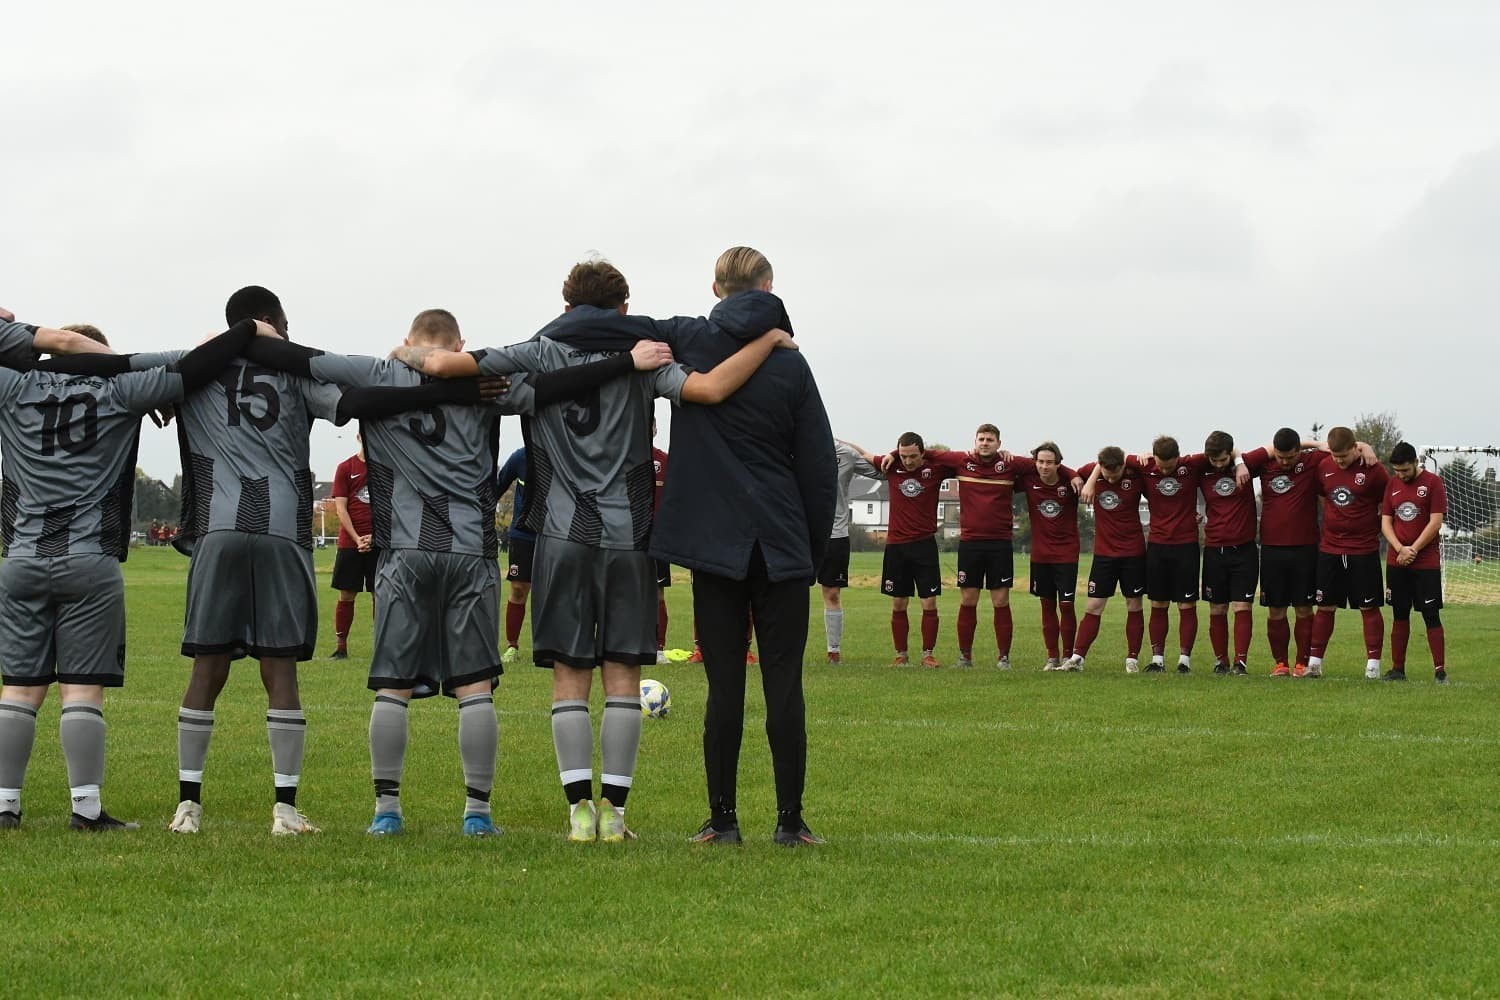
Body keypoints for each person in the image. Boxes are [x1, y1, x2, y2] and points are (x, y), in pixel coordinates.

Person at [389, 257, 798, 845]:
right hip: (628, 536)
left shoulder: (537, 351)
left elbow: (444, 366)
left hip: (558, 537)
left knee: (569, 679)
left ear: (564, 306)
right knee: (623, 676)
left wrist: (406, 354)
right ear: (624, 309)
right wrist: (767, 339)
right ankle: (616, 816)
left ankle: (579, 812)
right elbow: (710, 388)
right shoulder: (649, 353)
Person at [245, 306, 660, 837]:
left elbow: (302, 358)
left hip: (405, 548)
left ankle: (387, 811)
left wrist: (248, 334)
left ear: (406, 341)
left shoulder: (375, 371)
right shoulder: (485, 380)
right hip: (470, 548)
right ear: (459, 346)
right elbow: (555, 387)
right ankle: (478, 813)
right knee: (475, 687)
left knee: (392, 686)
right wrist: (624, 361)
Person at [0, 312, 265, 831]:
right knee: (81, 689)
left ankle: (5, 805)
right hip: (89, 560)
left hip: (23, 556)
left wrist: (12, 325)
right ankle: (86, 810)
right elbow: (198, 362)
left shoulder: (13, 388)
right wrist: (247, 330)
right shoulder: (121, 390)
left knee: (19, 690)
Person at [646, 247, 835, 846]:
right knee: (784, 684)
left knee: (724, 685)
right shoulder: (791, 364)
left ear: (715, 287)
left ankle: (722, 820)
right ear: (769, 284)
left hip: (713, 545)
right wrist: (806, 547)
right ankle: (789, 822)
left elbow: (615, 327)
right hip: (779, 541)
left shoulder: (690, 341)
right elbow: (818, 465)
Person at [857, 433, 958, 668]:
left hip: (924, 545)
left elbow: (958, 460)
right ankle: (901, 655)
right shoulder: (891, 466)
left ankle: (928, 655)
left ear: (922, 453)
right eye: (903, 455)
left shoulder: (936, 469)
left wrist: (927, 454)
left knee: (929, 603)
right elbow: (863, 453)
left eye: (913, 456)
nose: (908, 461)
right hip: (896, 547)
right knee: (899, 603)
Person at [923, 425, 1020, 669]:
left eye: (990, 439)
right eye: (981, 439)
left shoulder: (1011, 464)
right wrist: (893, 454)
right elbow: (926, 452)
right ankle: (965, 657)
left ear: (999, 443)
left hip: (1000, 544)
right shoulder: (962, 461)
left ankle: (1003, 658)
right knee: (968, 600)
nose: (985, 443)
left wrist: (1073, 476)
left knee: (1000, 601)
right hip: (970, 544)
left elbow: (1046, 462)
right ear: (975, 441)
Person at [1241, 428, 1330, 676]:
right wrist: (1265, 455)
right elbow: (1242, 458)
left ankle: (1302, 663)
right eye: (1280, 457)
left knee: (1304, 607)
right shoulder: (1265, 464)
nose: (1284, 462)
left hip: (1305, 548)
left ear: (1298, 451)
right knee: (1276, 609)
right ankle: (1281, 663)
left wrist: (1314, 444)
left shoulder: (1312, 461)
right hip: (1271, 549)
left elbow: (1344, 447)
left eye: (1290, 457)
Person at [1309, 426, 1390, 679]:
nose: (1338, 461)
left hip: (1363, 550)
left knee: (1369, 608)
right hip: (1330, 549)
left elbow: (1386, 505)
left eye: (1343, 456)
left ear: (1356, 448)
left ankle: (1373, 666)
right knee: (1325, 606)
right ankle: (1314, 663)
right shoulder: (1323, 466)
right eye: (1335, 456)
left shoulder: (1374, 471)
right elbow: (1325, 497)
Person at [1138, 436, 1218, 673]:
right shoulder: (1145, 467)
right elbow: (1112, 459)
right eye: (1160, 466)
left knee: (1186, 604)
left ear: (1178, 458)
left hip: (1186, 545)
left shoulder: (1191, 465)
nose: (1164, 471)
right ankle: (1157, 659)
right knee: (1158, 604)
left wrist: (1241, 463)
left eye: (1169, 466)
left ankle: (1184, 660)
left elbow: (1225, 449)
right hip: (1157, 546)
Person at [1067, 447, 1147, 671]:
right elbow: (1069, 472)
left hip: (1133, 552)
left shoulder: (1134, 471)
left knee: (1134, 604)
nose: (1110, 478)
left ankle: (1132, 660)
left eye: (1115, 474)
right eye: (1106, 474)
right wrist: (1093, 476)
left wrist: (1143, 454)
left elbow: (1148, 461)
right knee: (1093, 605)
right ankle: (1077, 658)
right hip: (1104, 554)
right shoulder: (1093, 471)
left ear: (1123, 466)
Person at [1380, 442, 1448, 682]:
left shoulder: (1433, 483)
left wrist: (1414, 549)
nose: (1401, 475)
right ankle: (1398, 669)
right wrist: (1400, 548)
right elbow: (1386, 522)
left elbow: (1435, 522)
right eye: (1397, 471)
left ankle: (1440, 671)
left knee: (1430, 614)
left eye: (1405, 471)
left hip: (1425, 562)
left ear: (1415, 464)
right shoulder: (1392, 484)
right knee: (1399, 613)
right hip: (1397, 560)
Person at [1015, 442, 1080, 669]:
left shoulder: (1071, 484)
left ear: (1058, 464)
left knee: (1066, 605)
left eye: (1049, 462)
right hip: (1040, 555)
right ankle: (1052, 657)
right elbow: (1012, 466)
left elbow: (1090, 472)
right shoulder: (1028, 481)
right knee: (1047, 605)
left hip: (1066, 554)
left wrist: (1071, 473)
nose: (1044, 466)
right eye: (1040, 462)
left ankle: (1068, 657)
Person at [1197, 431, 1257, 675]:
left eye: (1223, 460)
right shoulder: (1202, 468)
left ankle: (1240, 662)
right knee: (1217, 608)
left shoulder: (1247, 465)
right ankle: (1220, 661)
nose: (1219, 465)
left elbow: (1272, 449)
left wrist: (1240, 461)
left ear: (1230, 453)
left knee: (1242, 607)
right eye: (1215, 461)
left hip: (1244, 551)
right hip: (1214, 550)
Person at [821, 438, 881, 663]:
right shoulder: (793, 446)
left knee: (832, 593)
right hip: (800, 534)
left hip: (835, 535)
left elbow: (883, 473)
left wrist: (860, 449)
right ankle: (787, 651)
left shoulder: (845, 453)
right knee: (790, 594)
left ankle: (833, 651)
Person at [330, 434, 376, 660]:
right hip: (351, 543)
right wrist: (358, 539)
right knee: (347, 595)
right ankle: (341, 647)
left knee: (383, 595)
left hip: (379, 542)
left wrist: (375, 536)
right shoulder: (345, 467)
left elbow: (393, 507)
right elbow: (341, 509)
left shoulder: (386, 468)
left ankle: (383, 646)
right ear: (358, 436)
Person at [494, 444, 534, 664]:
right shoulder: (520, 456)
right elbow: (497, 487)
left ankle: (552, 647)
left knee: (556, 591)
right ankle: (512, 646)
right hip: (523, 534)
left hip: (555, 533)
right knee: (519, 587)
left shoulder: (562, 452)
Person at [650, 420, 672, 664]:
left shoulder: (664, 461)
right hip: (625, 537)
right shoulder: (621, 457)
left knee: (657, 593)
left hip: (657, 538)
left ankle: (658, 647)